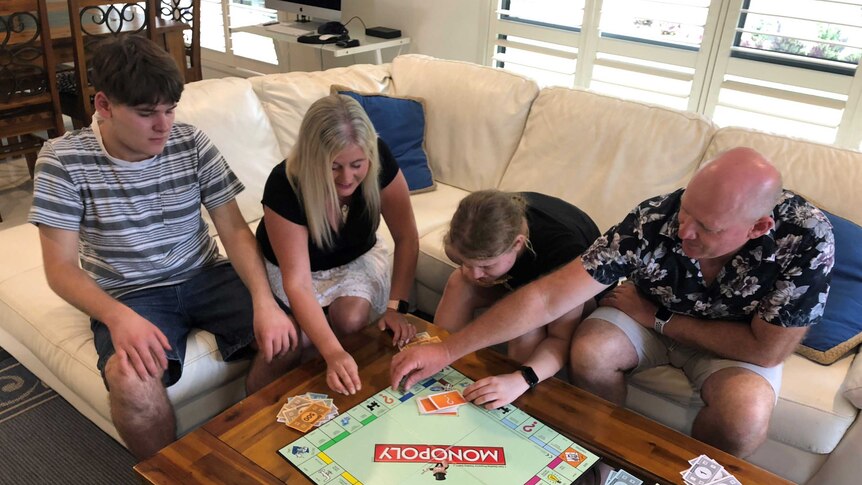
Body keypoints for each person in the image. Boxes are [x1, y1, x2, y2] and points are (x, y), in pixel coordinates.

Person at [391, 147, 833, 457]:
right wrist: (446, 349)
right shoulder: (655, 217)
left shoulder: (808, 239)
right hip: (643, 319)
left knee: (746, 417)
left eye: (706, 227)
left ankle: (683, 474)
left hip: (726, 339)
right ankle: (601, 456)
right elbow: (548, 296)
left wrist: (658, 318)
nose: (684, 232)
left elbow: (768, 349)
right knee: (591, 349)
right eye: (686, 212)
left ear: (757, 228)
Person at [29, 36, 300, 460]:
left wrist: (264, 300)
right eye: (145, 113)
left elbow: (232, 229)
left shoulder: (191, 142)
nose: (164, 125)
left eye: (170, 110)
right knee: (131, 381)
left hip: (205, 273)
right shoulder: (62, 160)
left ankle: (253, 433)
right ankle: (173, 471)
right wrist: (117, 318)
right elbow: (60, 268)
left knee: (289, 332)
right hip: (129, 295)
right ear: (103, 105)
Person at [256, 94, 419, 397]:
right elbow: (298, 282)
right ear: (313, 159)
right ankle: (255, 404)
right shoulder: (284, 183)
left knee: (351, 317)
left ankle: (337, 385)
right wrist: (333, 352)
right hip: (295, 268)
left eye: (357, 164)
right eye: (334, 167)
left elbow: (407, 236)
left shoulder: (380, 158)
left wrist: (398, 307)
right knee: (296, 339)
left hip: (356, 256)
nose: (347, 178)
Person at [436, 190, 599, 408]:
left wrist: (522, 378)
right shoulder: (491, 217)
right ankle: (436, 368)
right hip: (522, 278)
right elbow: (469, 268)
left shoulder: (564, 251)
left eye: (486, 266)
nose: (473, 274)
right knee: (459, 282)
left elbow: (560, 339)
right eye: (467, 263)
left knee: (525, 330)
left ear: (518, 243)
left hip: (577, 287)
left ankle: (516, 405)